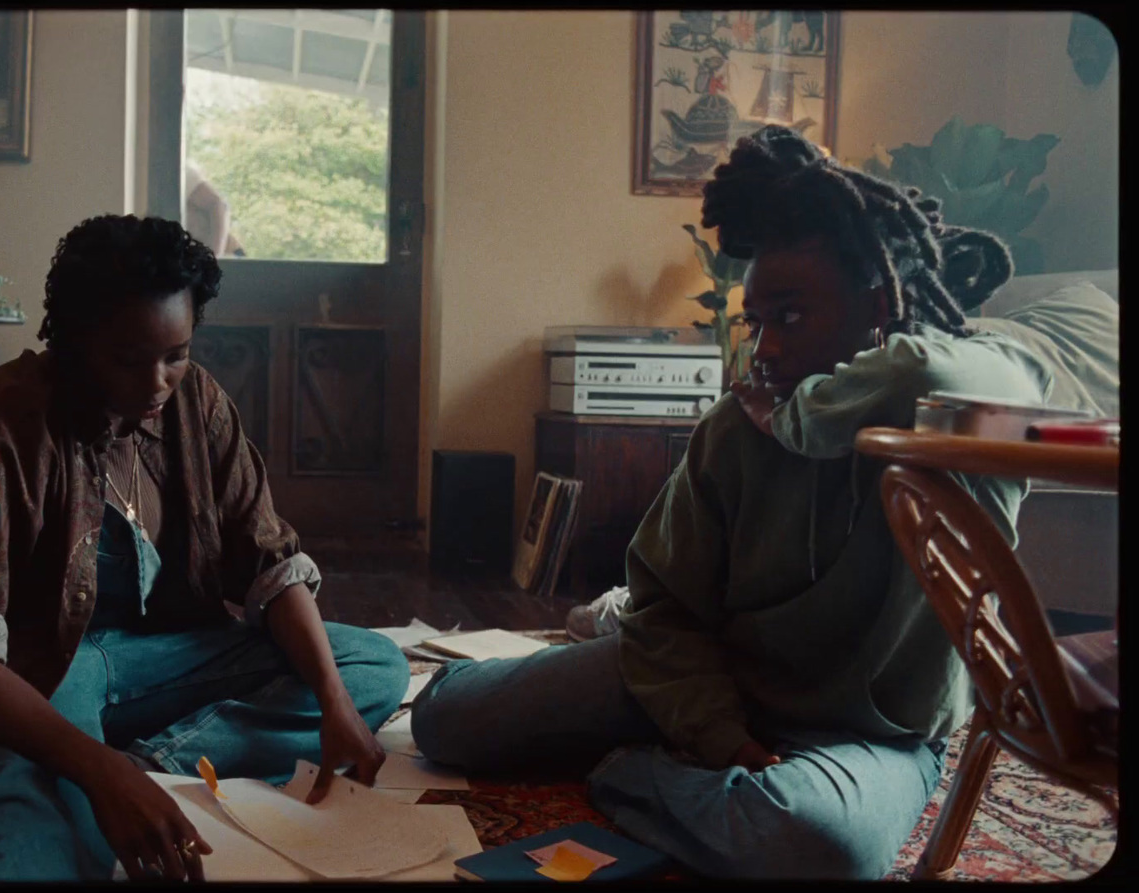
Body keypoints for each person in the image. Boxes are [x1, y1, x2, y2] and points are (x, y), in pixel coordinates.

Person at [410, 125, 1056, 880]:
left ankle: (631, 773)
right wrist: (717, 732)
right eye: (756, 321)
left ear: (878, 303)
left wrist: (799, 419)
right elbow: (665, 610)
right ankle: (677, 761)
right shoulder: (730, 430)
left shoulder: (960, 417)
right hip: (702, 681)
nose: (765, 349)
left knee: (817, 846)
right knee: (443, 720)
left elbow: (998, 375)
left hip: (870, 737)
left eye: (790, 316)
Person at [0, 214, 408, 882]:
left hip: (154, 665)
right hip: (32, 674)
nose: (158, 381)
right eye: (129, 359)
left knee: (370, 665)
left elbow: (269, 563)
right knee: (37, 834)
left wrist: (332, 702)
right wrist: (92, 768)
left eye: (175, 355)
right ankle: (77, 774)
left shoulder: (198, 405)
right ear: (74, 341)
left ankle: (152, 768)